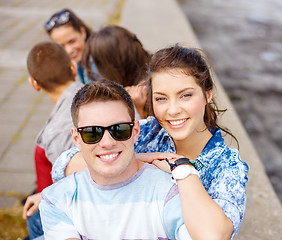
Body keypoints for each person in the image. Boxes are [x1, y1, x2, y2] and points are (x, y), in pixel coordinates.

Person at [53, 45, 249, 239]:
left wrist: (182, 170)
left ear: (207, 94)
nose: (173, 110)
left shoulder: (226, 165)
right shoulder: (148, 132)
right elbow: (64, 165)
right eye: (161, 99)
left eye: (185, 95)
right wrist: (140, 159)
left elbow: (215, 236)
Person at [40, 80, 191, 239]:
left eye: (119, 129)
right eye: (92, 133)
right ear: (76, 139)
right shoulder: (55, 200)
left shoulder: (170, 193)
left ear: (135, 131)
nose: (107, 143)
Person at [22, 41, 84, 239]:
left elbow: (75, 185)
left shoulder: (56, 133)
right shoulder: (97, 90)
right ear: (73, 68)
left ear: (34, 84)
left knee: (34, 216)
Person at [82, 25, 150, 119]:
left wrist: (139, 110)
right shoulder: (149, 69)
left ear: (114, 63)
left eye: (98, 63)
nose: (96, 72)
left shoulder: (146, 92)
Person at [44, 8, 98, 84]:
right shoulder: (80, 59)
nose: (69, 50)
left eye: (72, 41)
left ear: (82, 32)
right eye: (61, 47)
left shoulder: (97, 61)